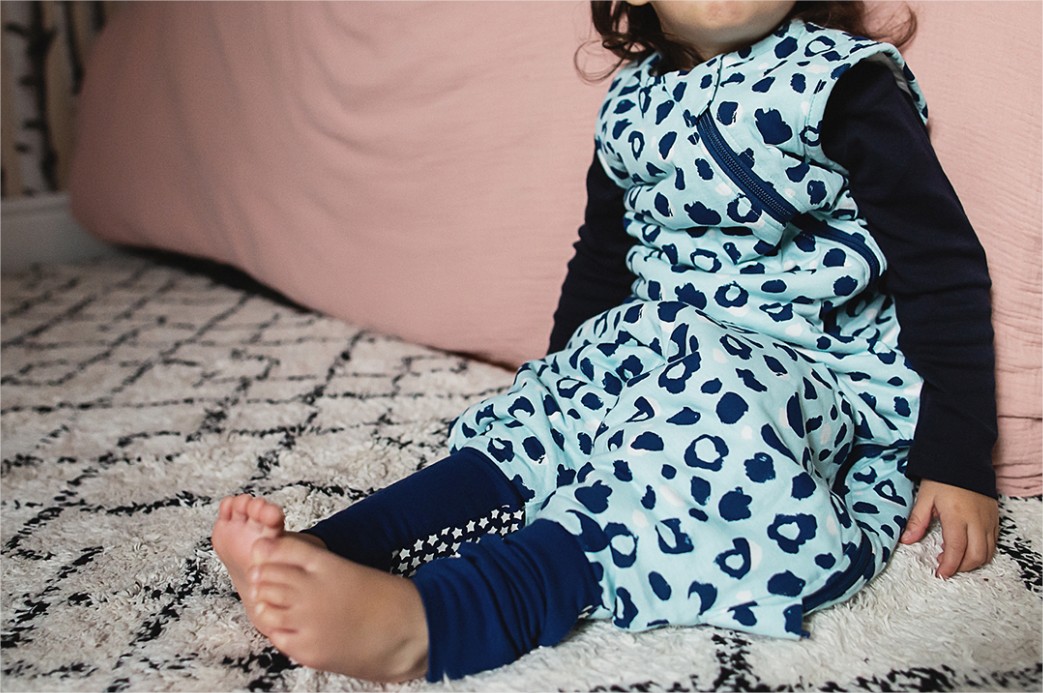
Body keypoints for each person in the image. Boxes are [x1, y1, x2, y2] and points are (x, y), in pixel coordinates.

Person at [211, 0, 999, 683]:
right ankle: (338, 546)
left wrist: (957, 456)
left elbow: (940, 264)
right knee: (537, 424)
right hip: (654, 341)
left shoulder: (838, 82)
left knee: (689, 453)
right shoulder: (630, 105)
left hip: (797, 370)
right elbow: (601, 259)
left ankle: (440, 619)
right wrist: (564, 378)